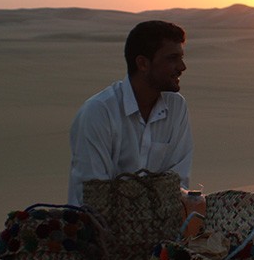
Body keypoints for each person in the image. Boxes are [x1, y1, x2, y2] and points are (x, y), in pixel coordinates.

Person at [68, 20, 193, 205]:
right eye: (172, 58)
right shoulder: (99, 112)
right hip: (96, 229)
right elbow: (93, 195)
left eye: (181, 57)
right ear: (143, 63)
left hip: (159, 228)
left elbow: (177, 184)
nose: (182, 67)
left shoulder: (176, 107)